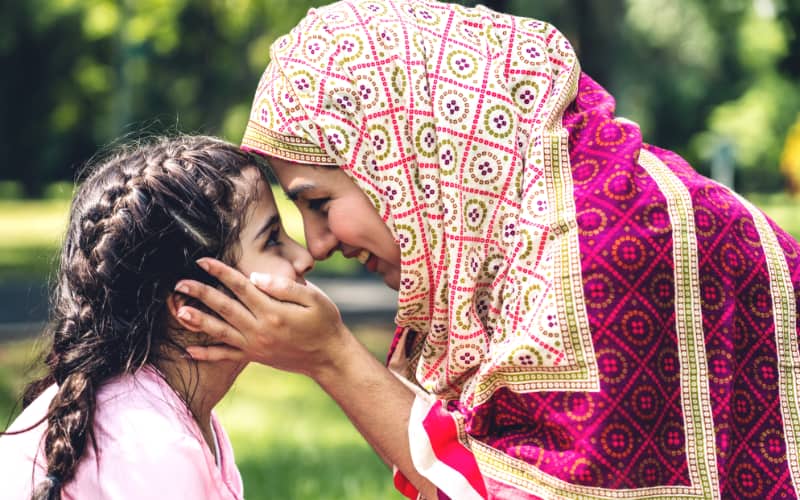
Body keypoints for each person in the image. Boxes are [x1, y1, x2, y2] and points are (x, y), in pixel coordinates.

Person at [175, 0, 800, 498]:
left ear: (401, 155)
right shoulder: (533, 232)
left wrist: (334, 359)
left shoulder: (605, 244)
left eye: (318, 203)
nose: (318, 245)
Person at [0, 135, 314, 499]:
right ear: (190, 305)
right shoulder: (150, 443)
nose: (304, 256)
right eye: (272, 240)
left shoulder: (168, 413)